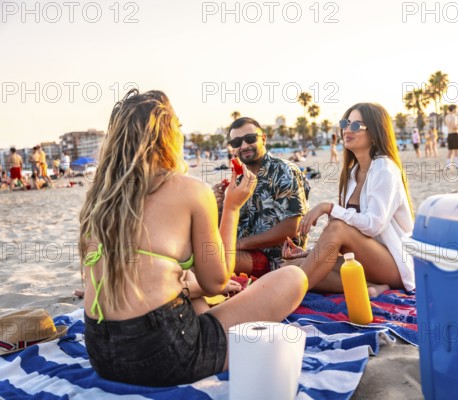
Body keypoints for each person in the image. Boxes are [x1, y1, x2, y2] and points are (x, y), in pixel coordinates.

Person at [80, 89, 307, 387]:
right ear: (168, 135)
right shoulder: (188, 189)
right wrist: (232, 207)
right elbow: (216, 280)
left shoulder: (97, 197)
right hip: (163, 353)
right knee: (292, 279)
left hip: (101, 352)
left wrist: (193, 288)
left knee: (189, 286)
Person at [283, 103, 416, 296]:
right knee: (292, 264)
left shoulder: (384, 168)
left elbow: (373, 225)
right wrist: (313, 252)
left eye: (355, 126)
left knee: (337, 227)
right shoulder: (353, 173)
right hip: (366, 260)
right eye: (345, 124)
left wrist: (329, 207)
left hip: (396, 264)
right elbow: (348, 233)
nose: (347, 130)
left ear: (374, 133)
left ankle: (287, 294)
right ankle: (371, 287)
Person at [213, 117, 310, 279]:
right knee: (199, 254)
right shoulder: (238, 180)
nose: (244, 146)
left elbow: (291, 228)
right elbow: (222, 230)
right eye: (237, 142)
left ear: (263, 138)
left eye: (250, 139)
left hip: (279, 260)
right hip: (242, 254)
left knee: (214, 260)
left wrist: (239, 244)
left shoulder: (284, 171)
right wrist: (218, 206)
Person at [444, 104, 458, 169]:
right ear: (453, 109)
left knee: (450, 151)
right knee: (456, 151)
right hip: (454, 134)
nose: (456, 110)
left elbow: (450, 126)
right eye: (456, 109)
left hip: (449, 134)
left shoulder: (446, 117)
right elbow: (454, 127)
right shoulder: (454, 117)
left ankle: (448, 166)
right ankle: (457, 165)